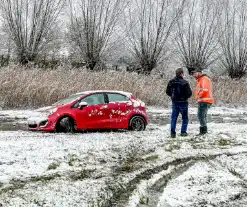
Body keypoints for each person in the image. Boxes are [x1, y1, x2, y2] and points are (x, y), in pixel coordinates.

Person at [166, 68, 192, 138]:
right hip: (183, 103)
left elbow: (167, 92)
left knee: (174, 118)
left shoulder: (171, 82)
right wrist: (184, 97)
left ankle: (172, 133)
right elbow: (189, 94)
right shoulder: (185, 82)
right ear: (181, 74)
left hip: (174, 102)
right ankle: (183, 132)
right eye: (183, 73)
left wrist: (173, 96)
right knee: (185, 118)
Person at [191, 68, 214, 135]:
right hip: (205, 100)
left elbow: (204, 90)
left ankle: (203, 131)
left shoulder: (204, 79)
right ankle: (204, 131)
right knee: (203, 116)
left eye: (195, 73)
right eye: (193, 74)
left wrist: (198, 96)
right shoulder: (203, 79)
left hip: (204, 100)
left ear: (199, 73)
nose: (194, 75)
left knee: (200, 116)